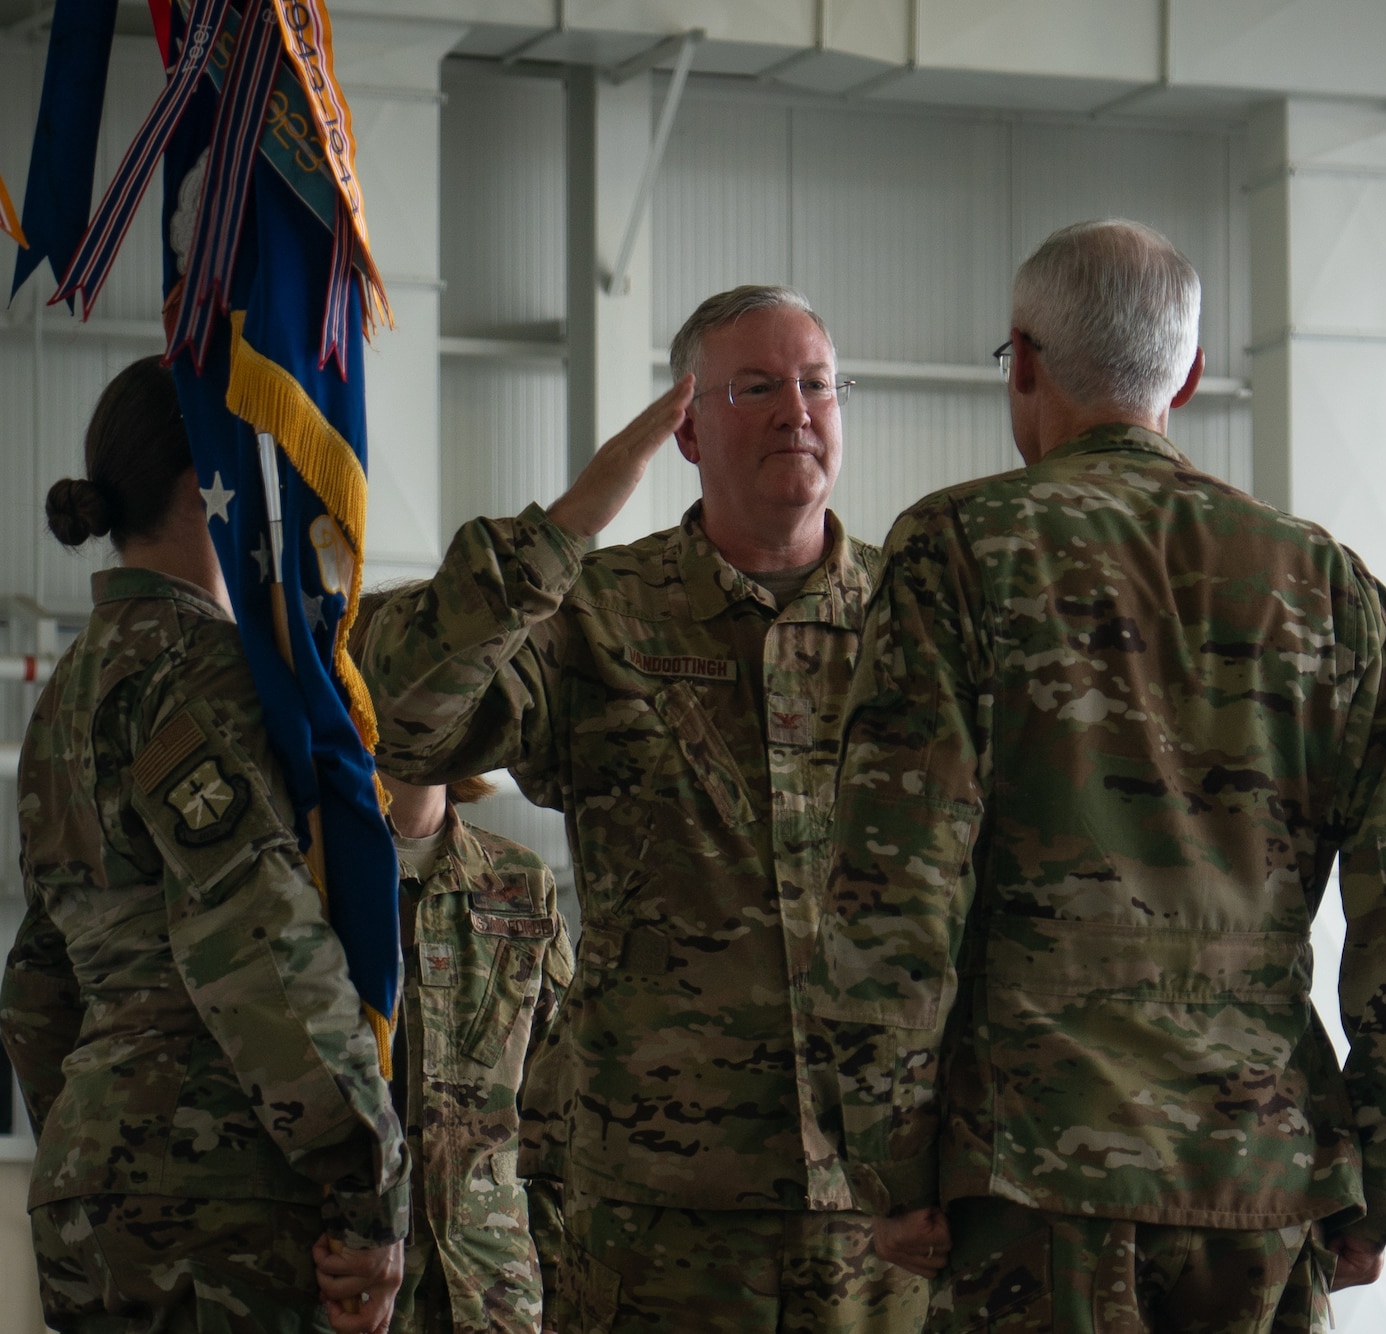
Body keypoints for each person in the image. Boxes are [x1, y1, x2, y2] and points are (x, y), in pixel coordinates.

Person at [797, 219, 1386, 1332]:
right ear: (1190, 375)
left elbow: (892, 887)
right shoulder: (1327, 586)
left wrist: (890, 1156)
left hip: (1033, 1173)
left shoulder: (960, 550)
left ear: (1022, 361)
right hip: (1261, 1184)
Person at [354, 286, 927, 1331]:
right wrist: (568, 522)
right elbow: (406, 722)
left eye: (817, 384)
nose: (796, 410)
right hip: (660, 1215)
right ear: (687, 426)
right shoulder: (598, 612)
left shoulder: (915, 620)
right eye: (756, 386)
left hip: (882, 1210)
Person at [0, 356, 408, 1334]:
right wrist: (367, 1184)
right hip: (222, 1195)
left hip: (90, 1189)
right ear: (206, 485)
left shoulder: (63, 696)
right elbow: (256, 936)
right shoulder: (208, 675)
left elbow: (38, 980)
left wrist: (91, 1131)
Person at [342, 757, 575, 1334]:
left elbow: (562, 1111)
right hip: (348, 1281)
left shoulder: (521, 883)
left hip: (497, 1289)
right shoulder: (313, 877)